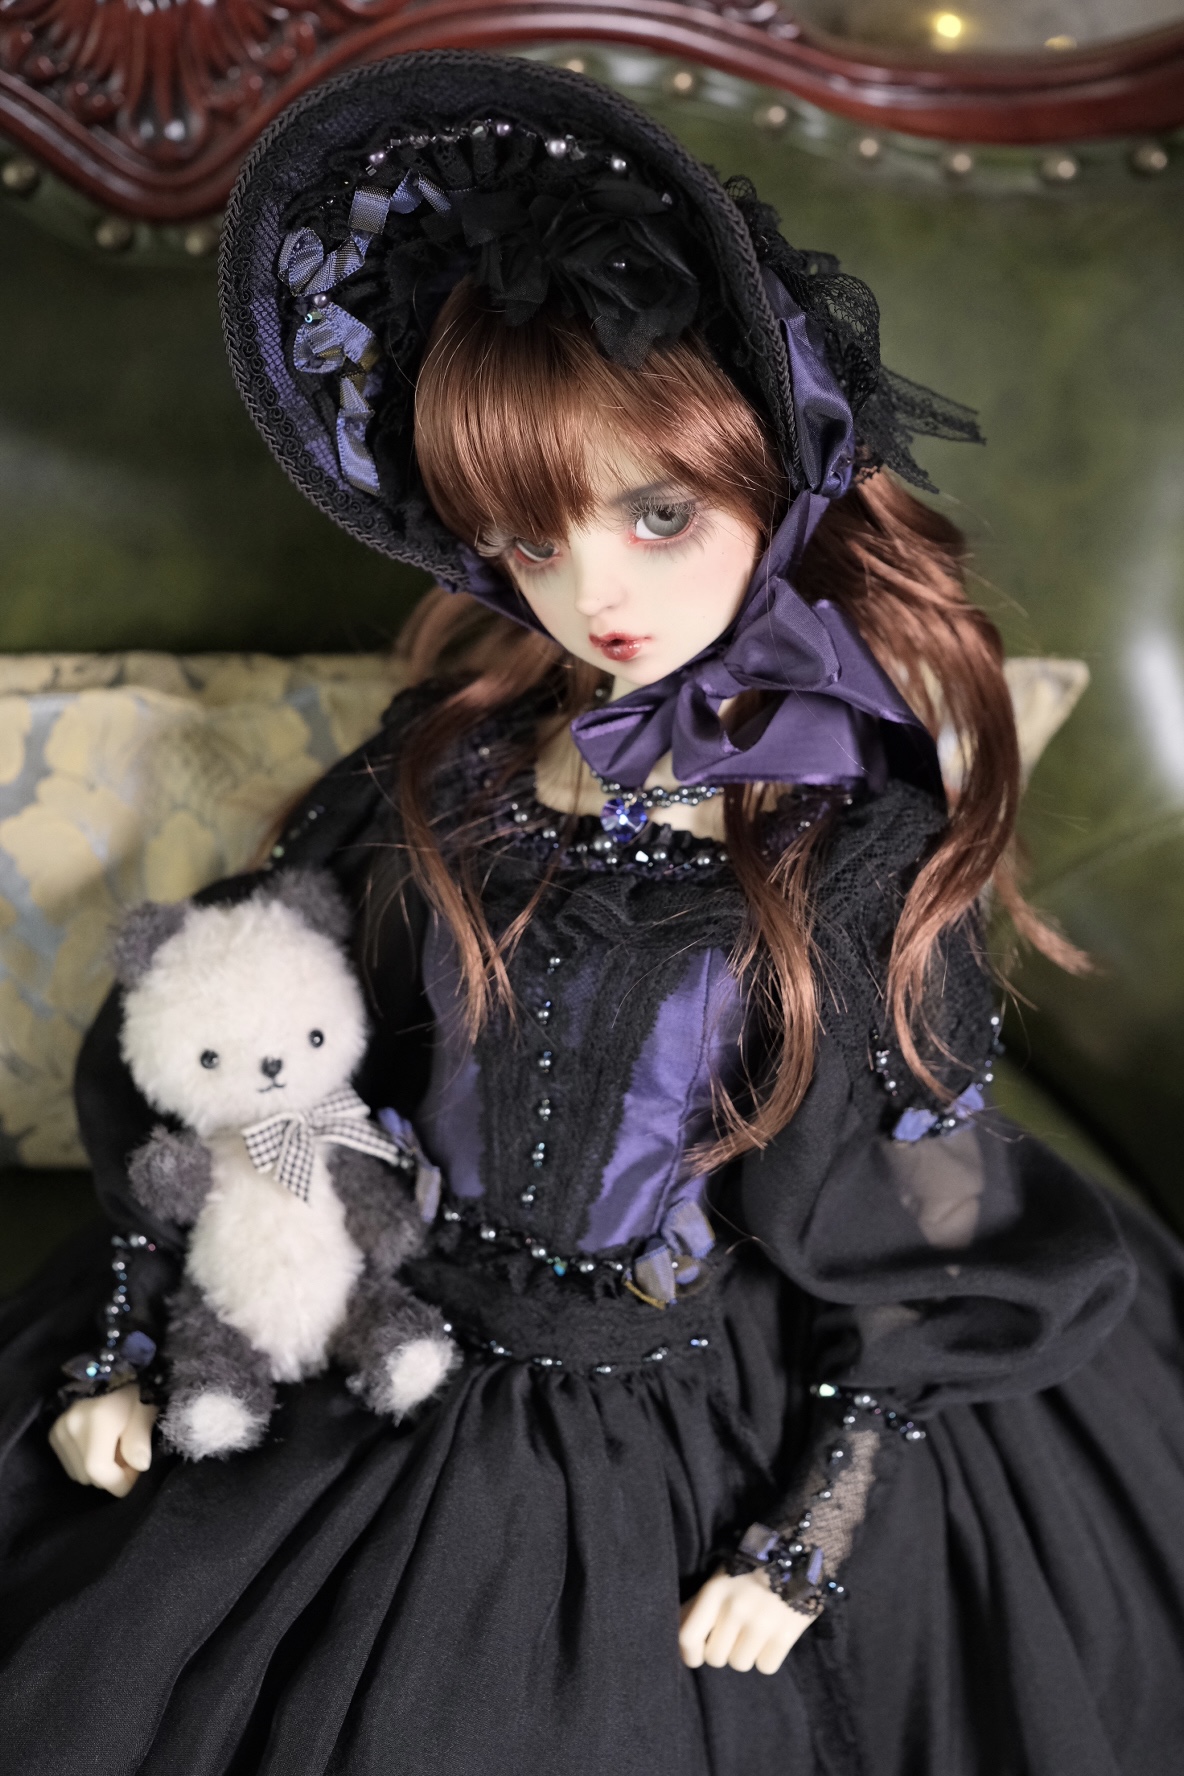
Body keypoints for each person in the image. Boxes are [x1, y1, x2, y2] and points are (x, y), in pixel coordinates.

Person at [2, 49, 1184, 1776]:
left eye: (657, 513)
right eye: (526, 538)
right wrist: (138, 1321)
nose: (593, 593)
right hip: (388, 1324)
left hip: (674, 1385)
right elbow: (239, 1028)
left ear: (780, 470)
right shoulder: (456, 759)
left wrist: (817, 1522)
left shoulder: (850, 844)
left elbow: (909, 1205)